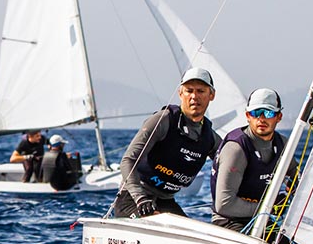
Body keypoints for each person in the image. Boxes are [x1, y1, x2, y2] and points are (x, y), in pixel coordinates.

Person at [114, 67, 220, 218]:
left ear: (212, 95)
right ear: (180, 93)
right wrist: (141, 199)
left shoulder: (210, 138)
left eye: (200, 91)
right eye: (189, 90)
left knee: (189, 234)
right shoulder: (163, 120)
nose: (194, 96)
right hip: (133, 198)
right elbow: (127, 161)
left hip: (166, 201)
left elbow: (232, 164)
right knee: (158, 222)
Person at [210, 88, 288, 232]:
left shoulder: (282, 144)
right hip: (229, 222)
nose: (262, 119)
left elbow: (296, 180)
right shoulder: (236, 149)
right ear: (247, 115)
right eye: (256, 113)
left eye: (269, 113)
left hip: (261, 219)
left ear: (279, 117)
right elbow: (224, 205)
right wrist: (270, 208)